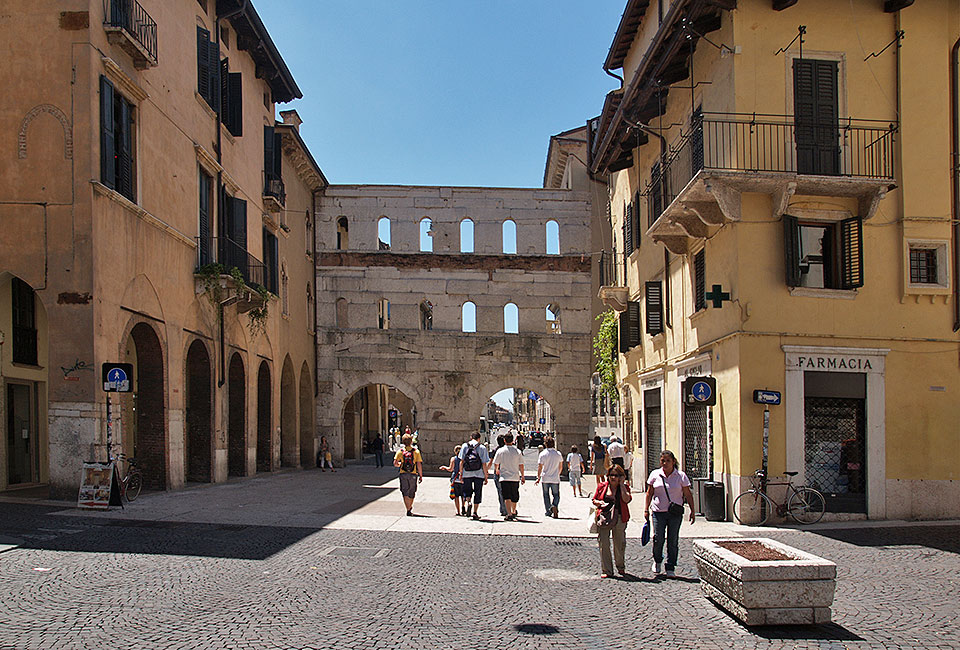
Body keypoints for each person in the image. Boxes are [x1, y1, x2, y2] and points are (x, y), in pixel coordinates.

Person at [645, 449, 695, 577]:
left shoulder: (681, 476)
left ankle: (671, 566)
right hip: (658, 512)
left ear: (673, 462)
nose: (665, 463)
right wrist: (646, 509)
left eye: (668, 461)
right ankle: (657, 560)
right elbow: (649, 493)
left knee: (673, 540)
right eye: (663, 461)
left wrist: (693, 511)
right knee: (658, 538)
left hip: (675, 513)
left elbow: (688, 494)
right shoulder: (655, 474)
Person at [592, 464, 632, 578]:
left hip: (620, 517)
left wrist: (622, 485)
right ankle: (607, 570)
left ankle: (620, 566)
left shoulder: (624, 487)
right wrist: (598, 502)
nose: (613, 477)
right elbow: (594, 499)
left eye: (617, 475)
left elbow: (627, 499)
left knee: (619, 543)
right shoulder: (602, 486)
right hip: (605, 517)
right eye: (611, 475)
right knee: (604, 543)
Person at [457, 432, 490, 520]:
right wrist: (486, 476)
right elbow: (484, 464)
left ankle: (468, 502)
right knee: (478, 492)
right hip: (479, 474)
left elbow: (461, 461)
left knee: (467, 490)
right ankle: (475, 512)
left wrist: (461, 473)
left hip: (467, 473)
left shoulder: (464, 446)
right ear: (479, 438)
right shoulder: (482, 447)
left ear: (471, 437)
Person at [493, 432, 524, 520]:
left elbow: (496, 463)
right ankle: (514, 511)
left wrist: (497, 470)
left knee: (507, 496)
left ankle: (509, 513)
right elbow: (521, 465)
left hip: (504, 477)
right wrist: (523, 476)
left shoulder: (500, 451)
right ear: (513, 441)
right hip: (515, 477)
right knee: (515, 495)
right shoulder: (518, 451)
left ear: (504, 440)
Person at [393, 433, 423, 516]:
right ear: (411, 442)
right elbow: (419, 464)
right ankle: (410, 506)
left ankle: (408, 508)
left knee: (404, 491)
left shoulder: (400, 452)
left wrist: (400, 464)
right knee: (412, 491)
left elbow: (395, 463)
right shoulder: (416, 452)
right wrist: (420, 475)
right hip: (413, 474)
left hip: (403, 473)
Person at [536, 436, 564, 518]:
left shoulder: (543, 454)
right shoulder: (558, 454)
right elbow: (561, 466)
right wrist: (558, 474)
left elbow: (540, 467)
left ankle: (548, 510)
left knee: (546, 495)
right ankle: (554, 505)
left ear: (545, 444)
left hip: (545, 477)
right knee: (556, 495)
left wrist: (538, 477)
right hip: (555, 478)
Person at [440, 445, 464, 516]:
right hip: (463, 479)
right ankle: (463, 506)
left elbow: (451, 469)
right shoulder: (464, 459)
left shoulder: (453, 459)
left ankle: (458, 511)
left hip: (455, 479)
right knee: (463, 495)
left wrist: (444, 467)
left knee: (456, 496)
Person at [491, 434, 508, 516]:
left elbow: (491, 462)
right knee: (508, 491)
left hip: (497, 473)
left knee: (500, 492)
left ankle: (503, 509)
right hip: (507, 472)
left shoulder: (495, 450)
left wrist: (486, 471)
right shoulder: (507, 450)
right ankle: (509, 509)